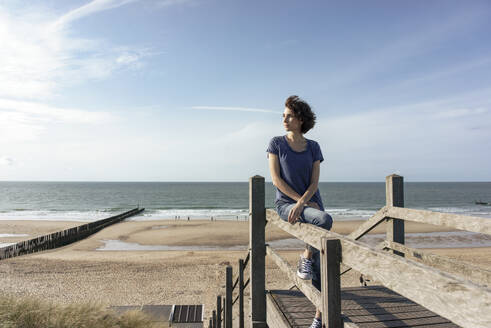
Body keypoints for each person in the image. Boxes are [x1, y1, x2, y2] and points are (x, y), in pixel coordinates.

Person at [267, 95, 332, 328]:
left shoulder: (313, 147)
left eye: (290, 115)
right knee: (324, 220)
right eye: (283, 115)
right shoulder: (276, 143)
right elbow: (276, 180)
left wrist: (304, 202)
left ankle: (318, 317)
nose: (285, 119)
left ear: (301, 119)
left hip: (310, 203)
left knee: (321, 265)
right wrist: (299, 203)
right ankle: (307, 256)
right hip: (287, 205)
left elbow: (314, 183)